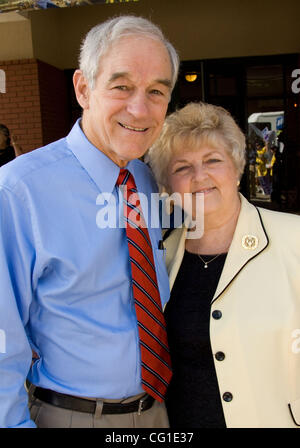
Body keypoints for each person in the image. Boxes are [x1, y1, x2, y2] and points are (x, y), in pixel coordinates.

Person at [0, 15, 179, 428]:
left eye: (156, 91)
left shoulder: (147, 178)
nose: (140, 108)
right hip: (73, 416)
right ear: (83, 88)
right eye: (122, 86)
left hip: (157, 412)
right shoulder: (20, 192)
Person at [146, 102, 300, 428]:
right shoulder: (162, 254)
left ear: (237, 167)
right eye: (182, 167)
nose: (199, 177)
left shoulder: (293, 239)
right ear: (168, 187)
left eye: (213, 161)